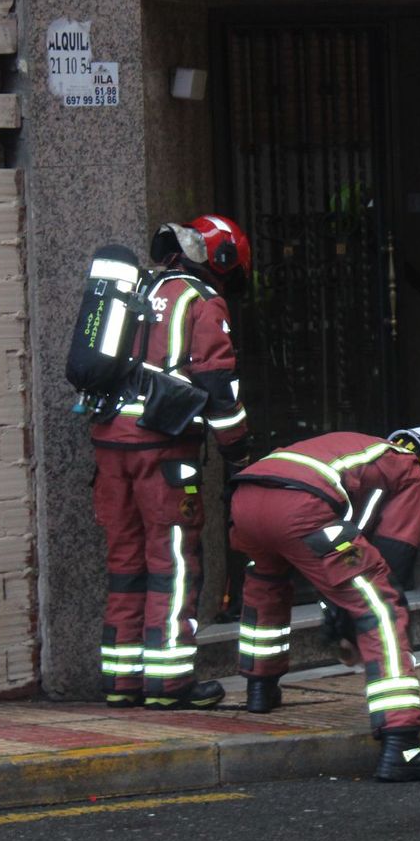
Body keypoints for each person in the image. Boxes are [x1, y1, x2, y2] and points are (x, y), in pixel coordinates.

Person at [227, 428, 420, 782]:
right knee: (382, 607)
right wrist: (356, 617)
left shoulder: (360, 447)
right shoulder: (412, 469)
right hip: (299, 506)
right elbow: (393, 559)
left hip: (246, 499)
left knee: (267, 586)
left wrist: (338, 610)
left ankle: (260, 689)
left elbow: (343, 544)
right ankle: (402, 744)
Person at [90, 214, 252, 710]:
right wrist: (238, 453)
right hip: (163, 450)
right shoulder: (201, 301)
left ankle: (123, 680)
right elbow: (218, 386)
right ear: (220, 260)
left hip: (109, 445)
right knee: (173, 563)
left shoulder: (136, 287)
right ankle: (170, 682)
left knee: (125, 562)